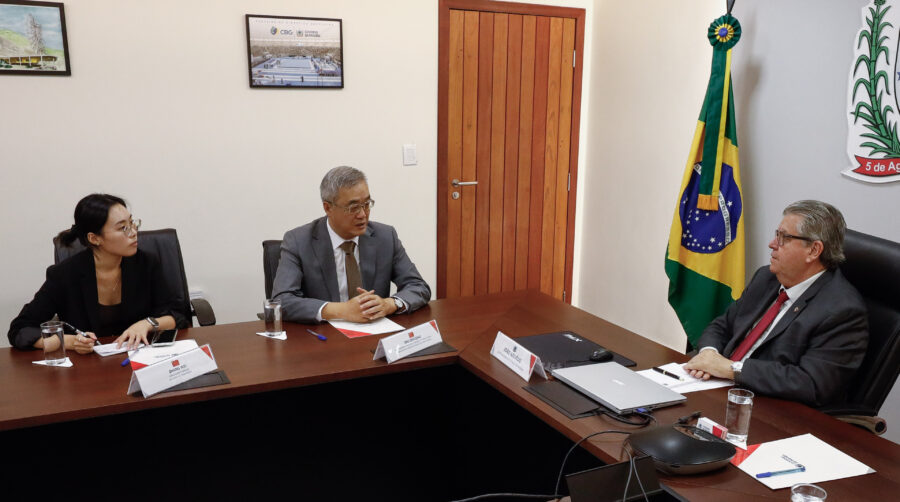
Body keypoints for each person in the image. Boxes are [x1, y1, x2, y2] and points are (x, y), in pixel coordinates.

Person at [683, 200, 868, 408]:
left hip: (770, 408)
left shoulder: (843, 311)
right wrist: (709, 353)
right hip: (718, 389)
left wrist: (731, 369)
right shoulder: (766, 278)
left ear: (814, 250)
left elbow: (810, 383)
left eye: (784, 238)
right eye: (776, 234)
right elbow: (722, 325)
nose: (772, 244)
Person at [8, 194, 188, 353]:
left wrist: (148, 324)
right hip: (88, 370)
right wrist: (67, 341)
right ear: (94, 238)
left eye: (132, 223)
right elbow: (20, 329)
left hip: (140, 359)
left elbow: (179, 314)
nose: (134, 232)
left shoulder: (146, 264)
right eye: (123, 228)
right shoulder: (65, 275)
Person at [272, 166, 431, 323]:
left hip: (375, 331)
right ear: (328, 208)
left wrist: (389, 304)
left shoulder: (385, 237)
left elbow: (418, 286)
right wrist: (340, 310)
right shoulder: (298, 241)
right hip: (323, 334)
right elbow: (282, 301)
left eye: (367, 204)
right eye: (353, 207)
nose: (362, 214)